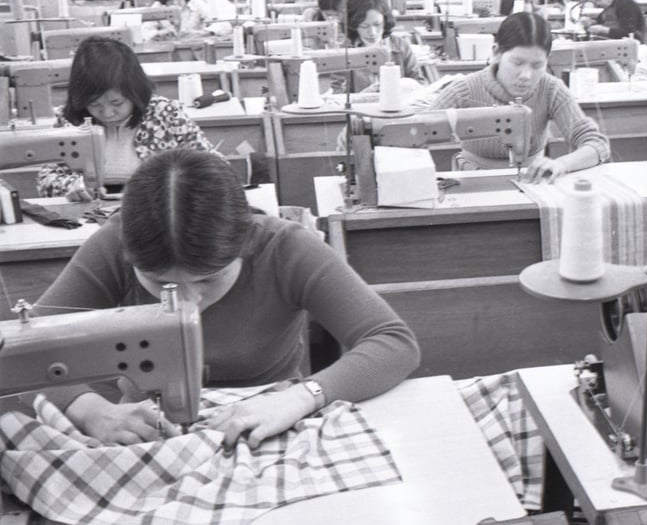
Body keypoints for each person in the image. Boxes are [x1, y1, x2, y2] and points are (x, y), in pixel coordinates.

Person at [34, 148, 421, 447]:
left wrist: (302, 397)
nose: (189, 304)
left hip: (272, 424)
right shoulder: (111, 246)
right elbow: (26, 352)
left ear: (245, 242)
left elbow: (392, 341)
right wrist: (89, 409)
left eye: (209, 280)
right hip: (148, 435)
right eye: (159, 283)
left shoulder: (285, 249)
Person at [428, 12, 611, 182]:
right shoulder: (464, 90)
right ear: (496, 53)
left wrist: (562, 163)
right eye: (517, 63)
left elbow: (596, 144)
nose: (526, 75)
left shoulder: (551, 89)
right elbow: (416, 132)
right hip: (471, 181)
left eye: (537, 65)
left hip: (533, 181)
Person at [36, 37, 220, 200]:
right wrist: (72, 187)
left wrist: (178, 184)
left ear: (135, 92)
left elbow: (215, 166)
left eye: (117, 103)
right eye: (95, 105)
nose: (107, 113)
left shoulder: (164, 113)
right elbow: (45, 180)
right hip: (89, 211)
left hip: (158, 210)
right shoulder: (67, 121)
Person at [334, 0, 426, 93]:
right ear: (353, 24)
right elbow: (337, 95)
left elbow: (420, 84)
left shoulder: (401, 46)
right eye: (364, 26)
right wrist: (363, 96)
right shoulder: (343, 53)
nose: (372, 32)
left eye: (377, 24)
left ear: (385, 19)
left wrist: (401, 87)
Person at [579, 0, 644, 40]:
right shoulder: (608, 6)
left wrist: (604, 30)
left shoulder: (625, 4)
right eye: (595, 1)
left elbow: (629, 34)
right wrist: (590, 22)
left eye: (598, 0)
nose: (597, 4)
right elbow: (600, 21)